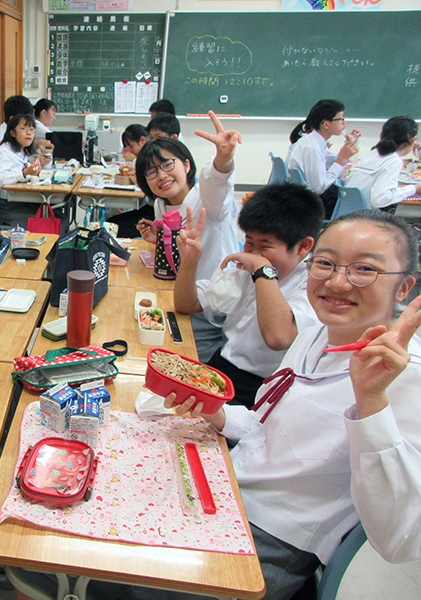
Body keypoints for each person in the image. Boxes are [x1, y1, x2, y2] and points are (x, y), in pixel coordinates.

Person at [155, 210, 421, 600]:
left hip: (270, 540)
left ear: (403, 289)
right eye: (326, 264)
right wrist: (216, 411)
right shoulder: (314, 336)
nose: (337, 281)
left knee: (112, 570)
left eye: (365, 269)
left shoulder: (405, 375)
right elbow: (267, 430)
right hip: (228, 487)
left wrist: (371, 403)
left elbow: (399, 537)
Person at [173, 184, 324, 408]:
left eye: (265, 245)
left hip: (260, 389)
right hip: (220, 366)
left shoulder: (312, 285)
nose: (252, 253)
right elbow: (187, 304)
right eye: (249, 242)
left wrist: (263, 271)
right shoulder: (248, 267)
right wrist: (190, 261)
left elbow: (279, 338)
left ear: (303, 246)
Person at [135, 111, 242, 362]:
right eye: (151, 172)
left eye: (167, 165)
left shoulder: (205, 201)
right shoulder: (162, 205)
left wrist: (223, 160)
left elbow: (217, 184)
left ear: (186, 164)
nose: (161, 176)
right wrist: (159, 240)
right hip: (180, 298)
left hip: (211, 310)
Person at [286, 99, 360, 218]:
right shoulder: (312, 147)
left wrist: (346, 149)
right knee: (352, 207)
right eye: (341, 119)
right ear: (326, 124)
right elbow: (319, 187)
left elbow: (331, 162)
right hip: (309, 205)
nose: (344, 124)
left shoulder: (314, 141)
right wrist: (341, 160)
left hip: (305, 198)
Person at [344, 115, 421, 211]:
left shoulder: (373, 154)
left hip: (347, 213)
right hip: (364, 218)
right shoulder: (393, 161)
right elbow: (380, 199)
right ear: (412, 139)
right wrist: (414, 189)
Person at [0, 114, 42, 227]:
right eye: (23, 129)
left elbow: (21, 166)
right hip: (7, 206)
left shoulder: (21, 150)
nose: (29, 133)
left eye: (32, 129)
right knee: (52, 218)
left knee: (57, 213)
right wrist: (24, 173)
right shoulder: (4, 152)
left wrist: (34, 167)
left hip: (20, 200)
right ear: (12, 133)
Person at [107, 125, 154, 238]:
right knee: (110, 223)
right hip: (148, 209)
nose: (130, 150)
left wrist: (140, 182)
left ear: (142, 140)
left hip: (153, 215)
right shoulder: (144, 159)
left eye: (130, 146)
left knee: (112, 228)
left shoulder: (152, 159)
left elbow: (155, 193)